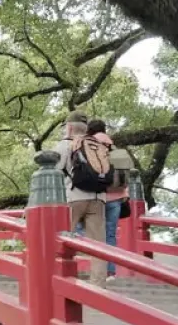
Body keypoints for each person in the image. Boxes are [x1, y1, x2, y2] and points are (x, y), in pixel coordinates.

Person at [55, 110, 109, 285]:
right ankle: (98, 285)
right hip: (99, 198)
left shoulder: (65, 145)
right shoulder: (96, 145)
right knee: (98, 245)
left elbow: (54, 170)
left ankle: (61, 279)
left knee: (61, 238)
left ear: (69, 128)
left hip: (73, 196)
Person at [87, 118, 132, 280]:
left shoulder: (90, 145)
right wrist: (125, 195)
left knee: (87, 230)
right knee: (110, 234)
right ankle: (111, 272)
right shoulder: (115, 148)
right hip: (117, 198)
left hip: (99, 196)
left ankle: (97, 270)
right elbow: (125, 174)